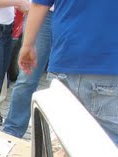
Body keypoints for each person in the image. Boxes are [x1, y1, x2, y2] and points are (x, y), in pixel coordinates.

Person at [19, 0, 118, 145]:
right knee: (110, 145)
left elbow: (39, 4)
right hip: (108, 65)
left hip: (66, 58)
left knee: (63, 144)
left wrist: (28, 44)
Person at [2, 5, 51, 138]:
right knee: (27, 77)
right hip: (43, 13)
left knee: (64, 82)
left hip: (74, 16)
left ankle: (55, 140)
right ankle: (12, 131)